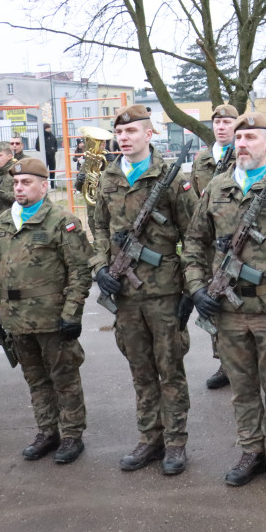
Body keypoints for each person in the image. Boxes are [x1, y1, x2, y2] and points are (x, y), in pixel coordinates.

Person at [183, 113, 266, 491]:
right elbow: (193, 241)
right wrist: (197, 289)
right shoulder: (217, 187)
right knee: (242, 388)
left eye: (251, 138)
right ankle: (250, 450)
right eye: (238, 138)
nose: (242, 144)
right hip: (228, 312)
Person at [91, 104, 198, 475]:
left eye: (131, 131)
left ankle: (176, 442)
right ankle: (149, 437)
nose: (124, 138)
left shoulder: (171, 177)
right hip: (124, 293)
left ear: (149, 134)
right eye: (119, 133)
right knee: (140, 370)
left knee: (170, 369)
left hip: (164, 292)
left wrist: (189, 290)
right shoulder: (108, 177)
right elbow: (99, 227)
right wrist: (100, 267)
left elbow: (194, 235)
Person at [0, 158, 93, 464]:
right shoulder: (5, 221)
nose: (19, 188)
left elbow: (79, 271)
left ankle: (71, 435)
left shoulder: (61, 220)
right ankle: (47, 431)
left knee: (64, 378)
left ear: (44, 186)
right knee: (35, 379)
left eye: (27, 182)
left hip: (52, 318)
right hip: (16, 318)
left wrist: (72, 312)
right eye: (16, 183)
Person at [187, 104, 239, 391]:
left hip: (238, 243)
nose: (221, 127)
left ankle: (243, 361)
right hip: (209, 244)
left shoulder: (243, 155)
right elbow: (194, 199)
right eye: (217, 122)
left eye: (227, 122)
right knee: (213, 300)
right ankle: (223, 362)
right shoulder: (202, 160)